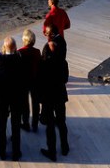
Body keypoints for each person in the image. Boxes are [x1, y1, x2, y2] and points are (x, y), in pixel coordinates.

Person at [0, 37, 24, 160]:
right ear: (15, 47)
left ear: (4, 47)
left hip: (2, 96)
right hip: (16, 96)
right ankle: (16, 152)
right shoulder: (19, 59)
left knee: (2, 123)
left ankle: (2, 151)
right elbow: (24, 79)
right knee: (15, 123)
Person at [39, 29, 70, 162]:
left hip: (48, 95)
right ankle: (65, 147)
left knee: (50, 125)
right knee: (62, 122)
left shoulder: (44, 63)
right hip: (60, 94)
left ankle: (52, 151)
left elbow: (39, 78)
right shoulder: (63, 63)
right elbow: (65, 79)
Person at [18, 28, 42, 132]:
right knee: (35, 103)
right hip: (36, 80)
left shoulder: (20, 52)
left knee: (24, 103)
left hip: (23, 80)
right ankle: (35, 124)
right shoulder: (37, 52)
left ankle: (26, 122)